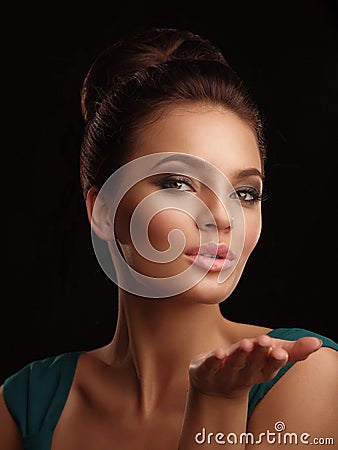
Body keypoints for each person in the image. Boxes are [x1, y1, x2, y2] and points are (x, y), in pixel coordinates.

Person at [1, 27, 337, 450]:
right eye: (179, 184)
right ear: (103, 209)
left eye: (244, 193)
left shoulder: (303, 373)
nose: (222, 216)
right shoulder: (25, 404)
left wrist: (217, 403)